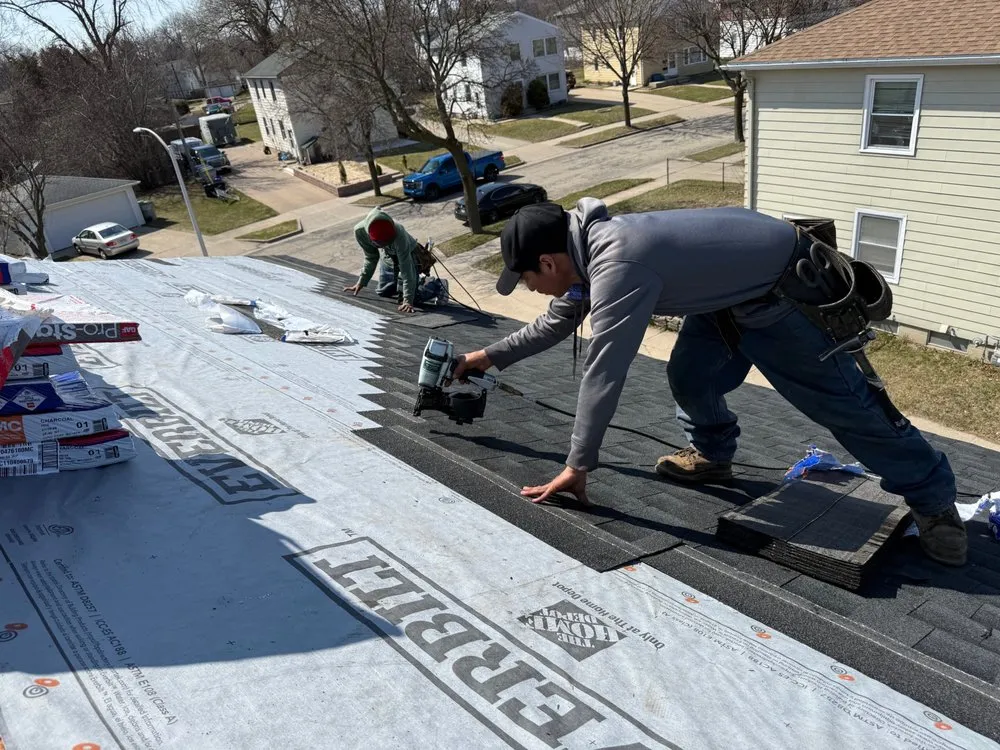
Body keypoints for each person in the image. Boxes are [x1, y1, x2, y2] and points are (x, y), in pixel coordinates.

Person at [452, 200, 967, 567]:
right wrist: (486, 357)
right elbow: (557, 321)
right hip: (726, 297)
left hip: (784, 294)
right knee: (690, 375)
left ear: (548, 261)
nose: (530, 289)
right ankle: (713, 453)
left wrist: (577, 466)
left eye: (526, 280)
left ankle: (935, 502)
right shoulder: (587, 249)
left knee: (847, 409)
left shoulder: (618, 263)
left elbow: (603, 371)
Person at [343, 208, 447, 313]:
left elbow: (406, 271)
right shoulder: (360, 232)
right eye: (380, 244)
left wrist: (408, 301)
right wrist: (361, 282)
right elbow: (371, 257)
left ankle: (437, 285)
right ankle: (410, 285)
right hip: (388, 256)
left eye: (388, 242)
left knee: (410, 298)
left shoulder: (399, 235)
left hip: (409, 254)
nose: (384, 245)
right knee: (383, 292)